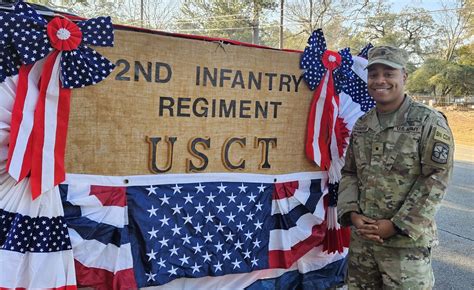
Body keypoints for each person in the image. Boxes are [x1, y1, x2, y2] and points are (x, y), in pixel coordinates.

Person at [337, 45, 454, 289]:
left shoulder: (428, 121)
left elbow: (435, 178)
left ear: (404, 77)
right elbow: (350, 172)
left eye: (389, 73)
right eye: (374, 74)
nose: (380, 80)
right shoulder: (363, 124)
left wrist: (397, 225)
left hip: (405, 248)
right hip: (363, 244)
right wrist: (353, 214)